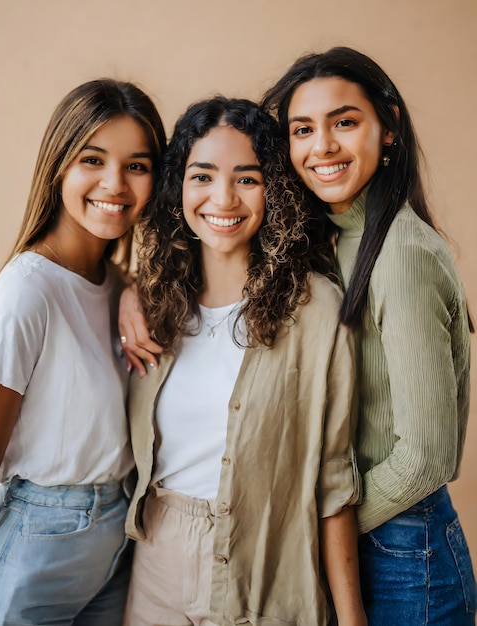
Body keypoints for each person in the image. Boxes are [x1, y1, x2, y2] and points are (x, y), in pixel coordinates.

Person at [123, 96, 367, 626]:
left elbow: (333, 483)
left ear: (275, 190)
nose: (223, 198)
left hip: (267, 570)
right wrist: (129, 288)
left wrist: (352, 619)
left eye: (248, 178)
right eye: (202, 176)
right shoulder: (153, 304)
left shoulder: (318, 310)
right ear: (178, 189)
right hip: (155, 562)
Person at [261, 46, 476, 625]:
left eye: (345, 122)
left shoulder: (400, 252)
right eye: (302, 129)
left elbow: (428, 457)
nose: (321, 147)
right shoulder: (336, 239)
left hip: (405, 551)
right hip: (370, 541)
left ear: (389, 129)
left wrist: (323, 531)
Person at [0, 78, 166, 625]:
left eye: (137, 165)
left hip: (118, 537)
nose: (115, 183)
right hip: (41, 537)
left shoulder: (117, 287)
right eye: (93, 159)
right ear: (59, 166)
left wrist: (136, 283)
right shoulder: (26, 292)